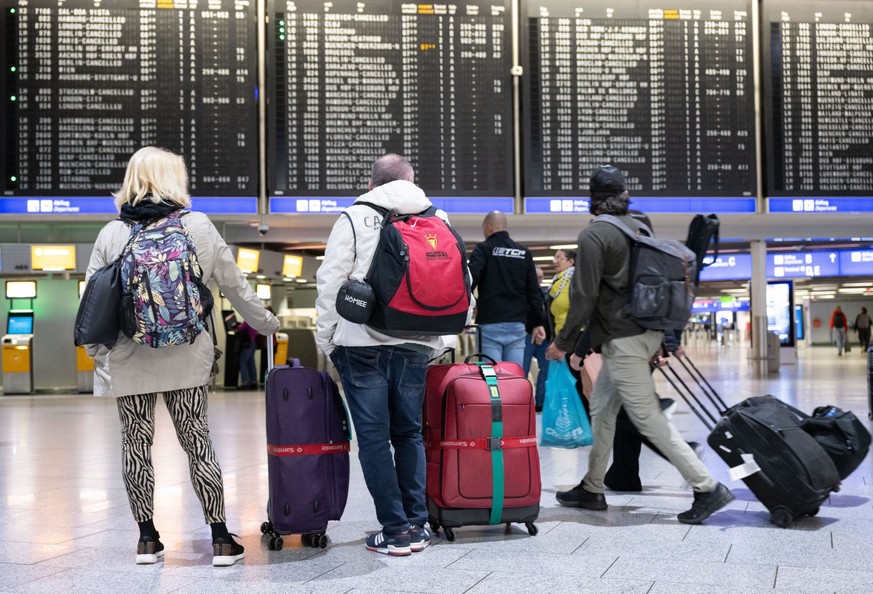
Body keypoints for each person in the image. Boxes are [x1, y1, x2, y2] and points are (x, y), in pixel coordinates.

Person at [84, 146, 279, 566]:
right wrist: (266, 324)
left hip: (130, 359)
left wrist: (102, 360)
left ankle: (147, 540)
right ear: (176, 179)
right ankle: (221, 539)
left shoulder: (112, 234)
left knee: (135, 446)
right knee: (198, 444)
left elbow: (92, 305)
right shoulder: (199, 227)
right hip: (188, 356)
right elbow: (235, 286)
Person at [546, 164, 733, 524]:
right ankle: (592, 487)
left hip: (625, 342)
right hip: (639, 336)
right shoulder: (639, 227)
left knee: (646, 418)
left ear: (593, 200)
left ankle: (707, 486)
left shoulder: (595, 235)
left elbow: (584, 296)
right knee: (602, 411)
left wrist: (563, 342)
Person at [315, 154, 463, 556]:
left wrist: (327, 339)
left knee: (376, 440)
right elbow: (457, 281)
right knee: (410, 433)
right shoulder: (440, 218)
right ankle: (417, 526)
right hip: (418, 342)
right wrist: (444, 340)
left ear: (372, 183)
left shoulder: (354, 216)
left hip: (362, 343)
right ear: (413, 180)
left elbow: (330, 282)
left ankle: (395, 531)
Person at [468, 211, 546, 366]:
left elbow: (470, 280)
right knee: (514, 376)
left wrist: (471, 304)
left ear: (489, 228)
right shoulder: (524, 253)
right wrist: (538, 322)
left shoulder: (484, 249)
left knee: (492, 379)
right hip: (517, 325)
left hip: (490, 323)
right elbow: (533, 291)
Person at [523, 265, 550, 412]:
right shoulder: (522, 293)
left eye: (541, 277)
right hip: (526, 335)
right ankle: (523, 405)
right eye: (537, 277)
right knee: (523, 370)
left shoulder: (544, 292)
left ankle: (540, 402)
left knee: (546, 369)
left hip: (543, 337)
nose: (540, 280)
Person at [235, 320, 259, 389]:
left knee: (243, 362)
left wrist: (236, 326)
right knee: (251, 363)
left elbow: (239, 329)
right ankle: (253, 382)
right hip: (253, 343)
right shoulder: (254, 320)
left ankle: (246, 382)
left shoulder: (248, 321)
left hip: (248, 344)